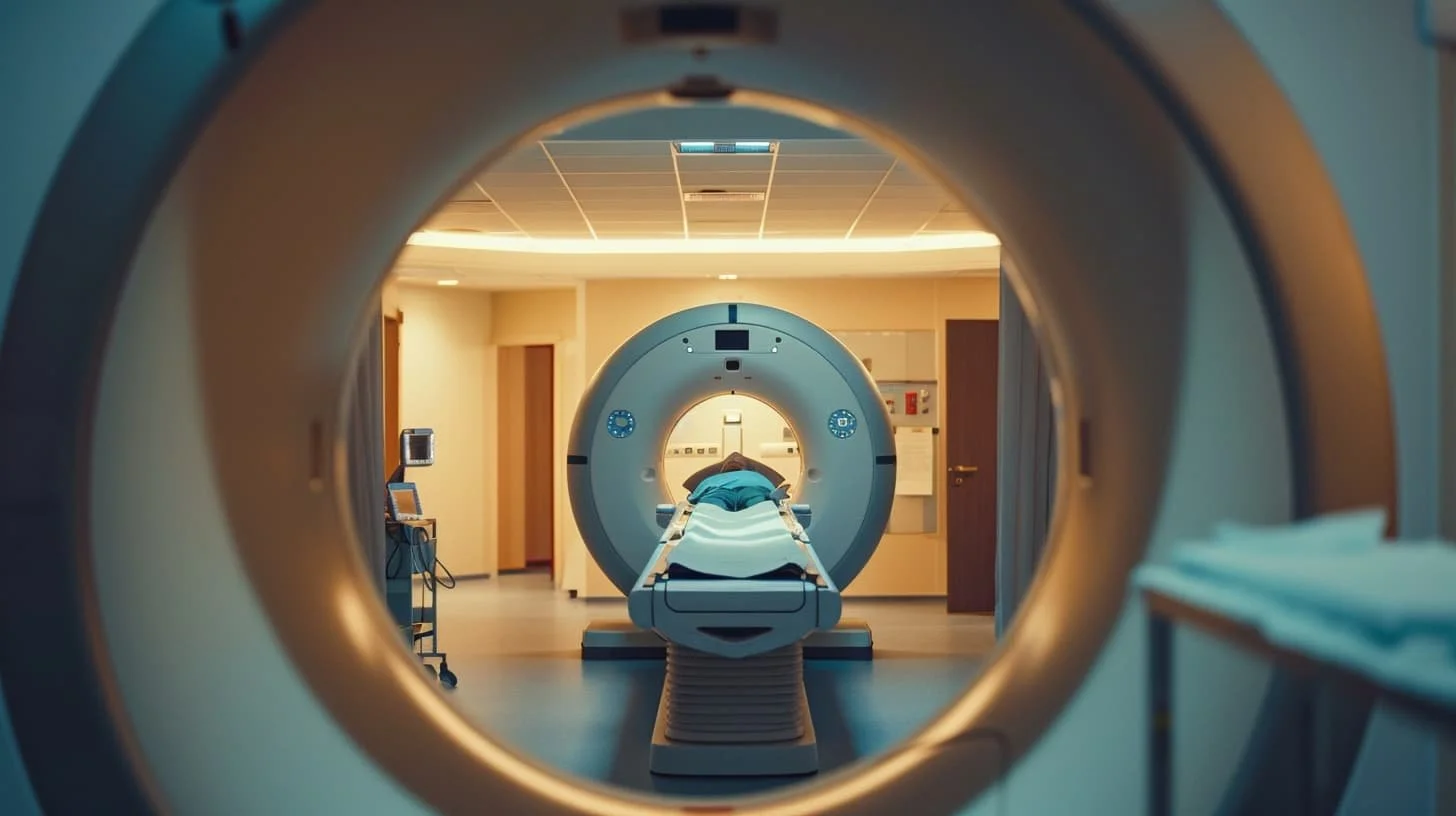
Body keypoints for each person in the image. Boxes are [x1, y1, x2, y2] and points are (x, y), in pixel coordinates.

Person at [687, 459, 789, 511]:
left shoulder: (712, 478)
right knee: (758, 505)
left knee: (712, 507)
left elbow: (694, 497)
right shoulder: (755, 475)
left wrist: (692, 497)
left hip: (718, 491)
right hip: (751, 489)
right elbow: (768, 489)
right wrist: (771, 498)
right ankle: (760, 506)